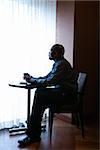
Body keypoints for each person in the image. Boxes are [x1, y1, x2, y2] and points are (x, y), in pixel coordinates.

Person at [18, 44, 78, 147]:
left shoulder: (61, 64)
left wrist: (33, 80)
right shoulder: (58, 63)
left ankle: (33, 134)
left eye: (51, 51)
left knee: (40, 95)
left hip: (66, 96)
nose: (49, 53)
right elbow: (47, 77)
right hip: (63, 92)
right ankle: (34, 133)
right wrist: (33, 79)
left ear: (58, 53)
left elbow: (50, 81)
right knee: (40, 93)